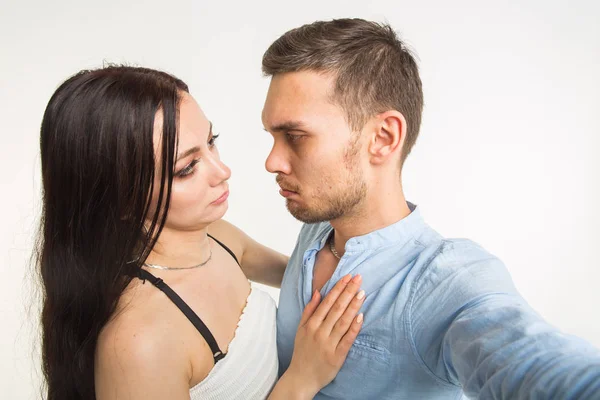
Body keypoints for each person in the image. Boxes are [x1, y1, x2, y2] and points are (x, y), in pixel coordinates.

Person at [262, 18, 600, 399]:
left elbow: (533, 364)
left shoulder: (445, 282)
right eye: (273, 137)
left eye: (294, 137)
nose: (272, 161)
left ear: (383, 138)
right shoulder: (317, 229)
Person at [37, 65, 366, 400]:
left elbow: (298, 274)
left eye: (212, 141)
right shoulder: (139, 344)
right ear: (121, 200)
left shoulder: (217, 237)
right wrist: (303, 379)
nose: (222, 171)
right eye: (186, 168)